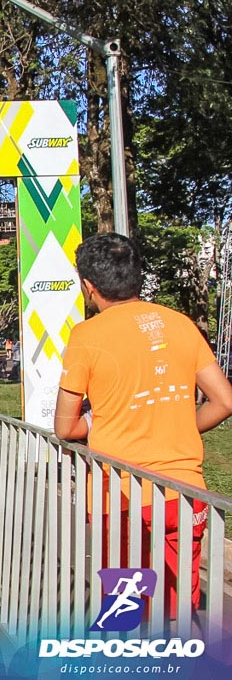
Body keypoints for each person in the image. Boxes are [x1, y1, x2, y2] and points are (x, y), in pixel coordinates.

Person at [53, 233, 232, 617]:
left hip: (120, 494)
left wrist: (105, 419)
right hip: (184, 490)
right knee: (179, 605)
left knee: (124, 606)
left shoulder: (86, 335)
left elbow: (65, 427)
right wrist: (179, 424)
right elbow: (224, 401)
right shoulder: (181, 324)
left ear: (89, 286)